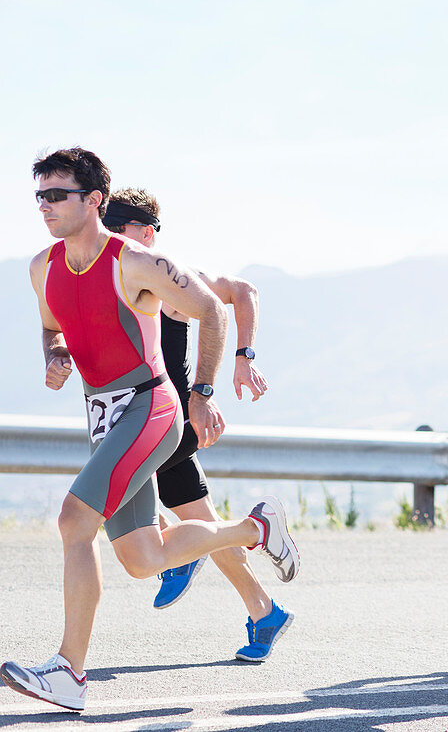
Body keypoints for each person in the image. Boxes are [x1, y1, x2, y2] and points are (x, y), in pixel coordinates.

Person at [0, 148, 299, 712]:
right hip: (102, 412)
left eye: (57, 195)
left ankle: (69, 671)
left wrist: (203, 393)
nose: (45, 206)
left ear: (94, 201)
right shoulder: (42, 266)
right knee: (141, 558)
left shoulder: (133, 262)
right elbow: (51, 327)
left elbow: (213, 307)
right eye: (40, 195)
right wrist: (56, 355)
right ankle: (254, 529)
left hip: (151, 405)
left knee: (73, 522)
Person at [102, 189, 292, 662]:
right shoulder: (112, 275)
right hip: (135, 418)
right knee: (201, 523)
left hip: (169, 418)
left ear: (146, 233)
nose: (105, 235)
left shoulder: (167, 277)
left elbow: (242, 291)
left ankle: (188, 550)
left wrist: (239, 363)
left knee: (106, 492)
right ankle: (262, 608)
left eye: (116, 226)